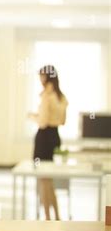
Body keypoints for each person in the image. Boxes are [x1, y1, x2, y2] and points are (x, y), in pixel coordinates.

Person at [29, 65, 68, 221]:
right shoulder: (61, 97)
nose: (40, 80)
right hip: (55, 137)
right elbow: (63, 121)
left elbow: (43, 121)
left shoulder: (47, 95)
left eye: (42, 77)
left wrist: (32, 116)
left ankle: (47, 218)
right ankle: (57, 216)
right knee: (49, 179)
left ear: (47, 77)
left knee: (43, 179)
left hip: (44, 138)